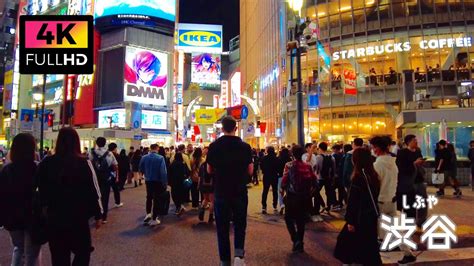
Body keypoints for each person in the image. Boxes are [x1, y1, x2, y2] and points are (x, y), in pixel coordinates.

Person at [38, 127, 103, 265]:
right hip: (78, 218)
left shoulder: (46, 163)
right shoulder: (84, 163)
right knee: (83, 252)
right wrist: (98, 214)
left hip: (55, 217)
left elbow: (41, 190)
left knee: (59, 257)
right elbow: (93, 190)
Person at [206, 116, 253, 265]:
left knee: (222, 227)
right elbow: (250, 170)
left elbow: (209, 169)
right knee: (240, 223)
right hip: (239, 191)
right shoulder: (245, 147)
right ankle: (239, 256)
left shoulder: (214, 146)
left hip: (221, 191)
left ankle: (224, 260)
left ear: (222, 128)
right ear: (236, 128)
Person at [334, 148, 381, 265]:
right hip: (370, 216)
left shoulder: (358, 178)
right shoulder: (373, 175)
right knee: (368, 244)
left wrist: (350, 221)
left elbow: (353, 202)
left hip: (359, 217)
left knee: (345, 243)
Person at [0, 133, 42, 266]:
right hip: (33, 216)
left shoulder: (7, 170)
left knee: (18, 249)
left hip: (12, 216)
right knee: (31, 254)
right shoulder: (37, 168)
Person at [280, 145, 317, 253]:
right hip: (304, 196)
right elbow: (314, 181)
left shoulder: (289, 165)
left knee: (288, 218)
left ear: (292, 154)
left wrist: (282, 191)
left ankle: (295, 239)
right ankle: (300, 243)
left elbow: (284, 180)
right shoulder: (307, 166)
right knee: (301, 220)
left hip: (292, 196)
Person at [395, 134, 424, 264]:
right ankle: (405, 238)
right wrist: (414, 164)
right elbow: (400, 168)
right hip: (405, 186)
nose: (416, 142)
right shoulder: (401, 153)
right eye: (414, 140)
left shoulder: (418, 151)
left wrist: (420, 163)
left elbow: (419, 164)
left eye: (416, 140)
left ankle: (412, 231)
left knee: (414, 210)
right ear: (408, 142)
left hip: (417, 183)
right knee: (404, 211)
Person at [370, 136, 398, 239]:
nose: (373, 150)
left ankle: (383, 247)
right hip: (392, 198)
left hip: (381, 200)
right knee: (394, 228)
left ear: (378, 148)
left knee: (381, 231)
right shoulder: (394, 163)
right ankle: (407, 251)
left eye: (374, 147)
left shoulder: (377, 165)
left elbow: (375, 185)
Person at [90, 137, 121, 223]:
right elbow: (115, 166)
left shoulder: (92, 153)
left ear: (96, 143)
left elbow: (89, 164)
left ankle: (96, 214)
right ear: (105, 143)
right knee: (105, 197)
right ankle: (104, 217)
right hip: (106, 177)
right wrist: (116, 176)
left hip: (95, 177)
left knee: (95, 195)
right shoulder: (109, 154)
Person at [139, 144, 168, 226]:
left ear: (150, 148)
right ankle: (154, 218)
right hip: (158, 181)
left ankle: (148, 213)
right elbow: (163, 172)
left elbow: (140, 168)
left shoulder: (144, 157)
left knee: (149, 197)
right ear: (157, 148)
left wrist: (145, 174)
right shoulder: (160, 158)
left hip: (148, 180)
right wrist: (165, 182)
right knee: (157, 199)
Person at [314, 142, 337, 213]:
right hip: (329, 178)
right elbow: (334, 168)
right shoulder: (331, 157)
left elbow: (316, 168)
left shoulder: (318, 157)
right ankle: (328, 207)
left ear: (320, 148)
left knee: (316, 192)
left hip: (320, 178)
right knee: (329, 193)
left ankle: (318, 208)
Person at [260, 146, 280, 214]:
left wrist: (264, 171)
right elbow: (278, 168)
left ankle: (264, 206)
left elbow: (262, 167)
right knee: (275, 191)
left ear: (267, 151)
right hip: (274, 176)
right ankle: (275, 205)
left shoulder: (264, 158)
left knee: (265, 191)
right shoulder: (276, 158)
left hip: (266, 176)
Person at [198, 154, 215, 223]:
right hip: (211, 185)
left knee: (205, 199)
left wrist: (199, 185)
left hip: (203, 184)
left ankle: (202, 211)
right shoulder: (213, 165)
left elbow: (199, 176)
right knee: (212, 201)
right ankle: (210, 217)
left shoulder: (202, 165)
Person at [277, 147, 293, 215]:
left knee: (280, 192)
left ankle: (282, 204)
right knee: (288, 192)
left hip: (280, 177)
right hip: (289, 178)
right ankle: (288, 205)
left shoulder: (279, 159)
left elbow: (277, 168)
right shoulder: (289, 159)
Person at [108, 143, 123, 207]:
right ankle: (117, 203)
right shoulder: (116, 155)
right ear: (115, 148)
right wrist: (117, 176)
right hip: (114, 174)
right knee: (116, 189)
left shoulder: (106, 154)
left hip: (106, 174)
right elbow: (117, 166)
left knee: (105, 190)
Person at [332, 144, 346, 209]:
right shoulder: (343, 155)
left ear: (335, 149)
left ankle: (335, 202)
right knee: (341, 189)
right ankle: (340, 203)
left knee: (331, 189)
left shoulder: (333, 156)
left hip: (336, 175)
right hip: (342, 175)